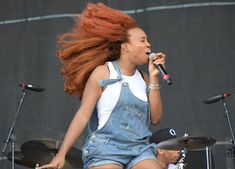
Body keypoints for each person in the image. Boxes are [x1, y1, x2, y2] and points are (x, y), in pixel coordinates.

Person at [38, 2, 166, 169]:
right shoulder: (104, 72)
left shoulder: (145, 78)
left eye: (148, 41)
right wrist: (61, 155)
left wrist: (154, 79)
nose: (148, 44)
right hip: (106, 148)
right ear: (125, 46)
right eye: (142, 40)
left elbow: (155, 118)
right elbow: (83, 115)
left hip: (140, 149)